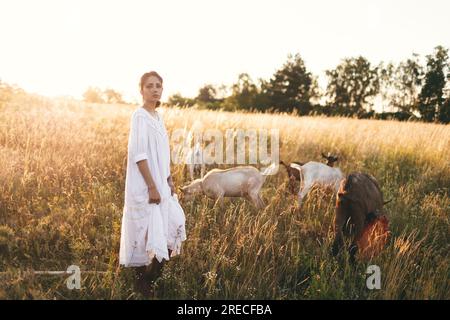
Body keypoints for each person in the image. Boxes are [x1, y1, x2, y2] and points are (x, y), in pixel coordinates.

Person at [119, 71, 186, 298]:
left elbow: (162, 153)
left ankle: (151, 278)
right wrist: (151, 186)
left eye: (158, 86)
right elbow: (139, 154)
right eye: (150, 86)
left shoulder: (158, 116)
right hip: (144, 183)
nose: (155, 89)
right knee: (142, 230)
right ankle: (141, 284)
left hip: (161, 182)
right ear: (141, 90)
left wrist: (168, 180)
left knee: (173, 224)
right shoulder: (139, 116)